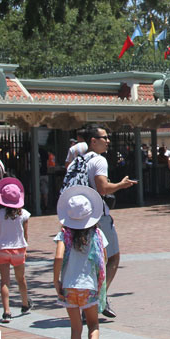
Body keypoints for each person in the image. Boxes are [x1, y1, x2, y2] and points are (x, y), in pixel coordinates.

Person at [60, 125, 136, 319]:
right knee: (112, 257)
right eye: (104, 137)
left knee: (87, 258)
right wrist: (121, 185)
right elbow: (102, 188)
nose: (108, 140)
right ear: (93, 141)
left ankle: (87, 301)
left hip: (76, 216)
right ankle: (98, 299)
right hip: (97, 215)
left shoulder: (77, 160)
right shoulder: (99, 160)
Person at [53, 185, 110, 339]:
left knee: (75, 328)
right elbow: (104, 258)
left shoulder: (63, 235)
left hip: (69, 286)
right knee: (93, 324)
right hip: (89, 285)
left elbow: (59, 257)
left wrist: (56, 280)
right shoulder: (97, 234)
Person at [0, 177, 31, 322]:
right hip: (19, 248)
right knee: (21, 279)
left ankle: (6, 311)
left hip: (3, 249)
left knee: (5, 281)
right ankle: (25, 303)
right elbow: (25, 234)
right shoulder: (23, 214)